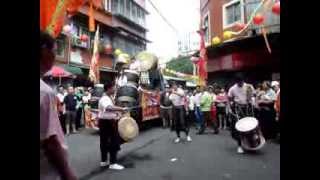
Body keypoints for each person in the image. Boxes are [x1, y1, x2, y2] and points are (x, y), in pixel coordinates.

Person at [40, 31, 77, 180]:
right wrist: (67, 173)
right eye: (54, 51)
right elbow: (50, 142)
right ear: (43, 51)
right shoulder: (44, 92)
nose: (55, 57)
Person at [98, 81, 127, 170]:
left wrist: (118, 113)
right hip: (107, 123)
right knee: (113, 141)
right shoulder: (105, 98)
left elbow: (110, 109)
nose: (115, 89)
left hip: (106, 122)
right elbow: (109, 108)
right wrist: (121, 109)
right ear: (109, 88)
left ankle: (104, 161)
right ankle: (113, 163)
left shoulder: (108, 97)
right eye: (114, 87)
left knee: (104, 142)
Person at [228, 74, 255, 154]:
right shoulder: (232, 88)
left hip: (247, 108)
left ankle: (251, 143)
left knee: (250, 126)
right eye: (238, 82)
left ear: (243, 80)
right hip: (237, 109)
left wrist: (252, 101)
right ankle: (239, 146)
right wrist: (230, 107)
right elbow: (229, 98)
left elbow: (253, 96)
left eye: (241, 82)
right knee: (239, 127)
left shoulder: (249, 87)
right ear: (236, 82)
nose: (240, 83)